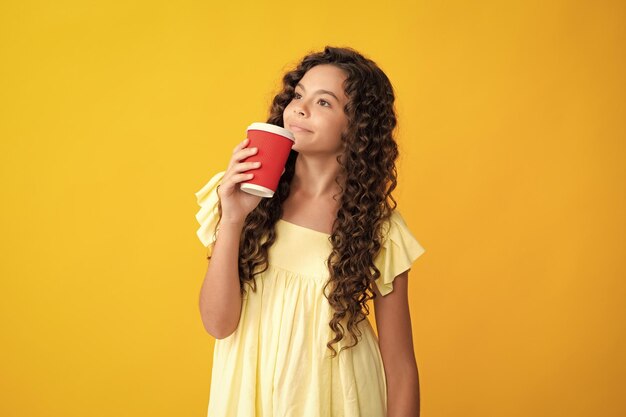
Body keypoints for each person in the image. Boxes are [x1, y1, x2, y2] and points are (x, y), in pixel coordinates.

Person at [195, 46, 426, 417]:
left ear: (357, 126)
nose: (300, 108)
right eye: (298, 95)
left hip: (338, 398)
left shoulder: (378, 228)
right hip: (250, 393)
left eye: (324, 102)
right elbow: (218, 324)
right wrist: (233, 218)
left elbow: (399, 367)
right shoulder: (241, 195)